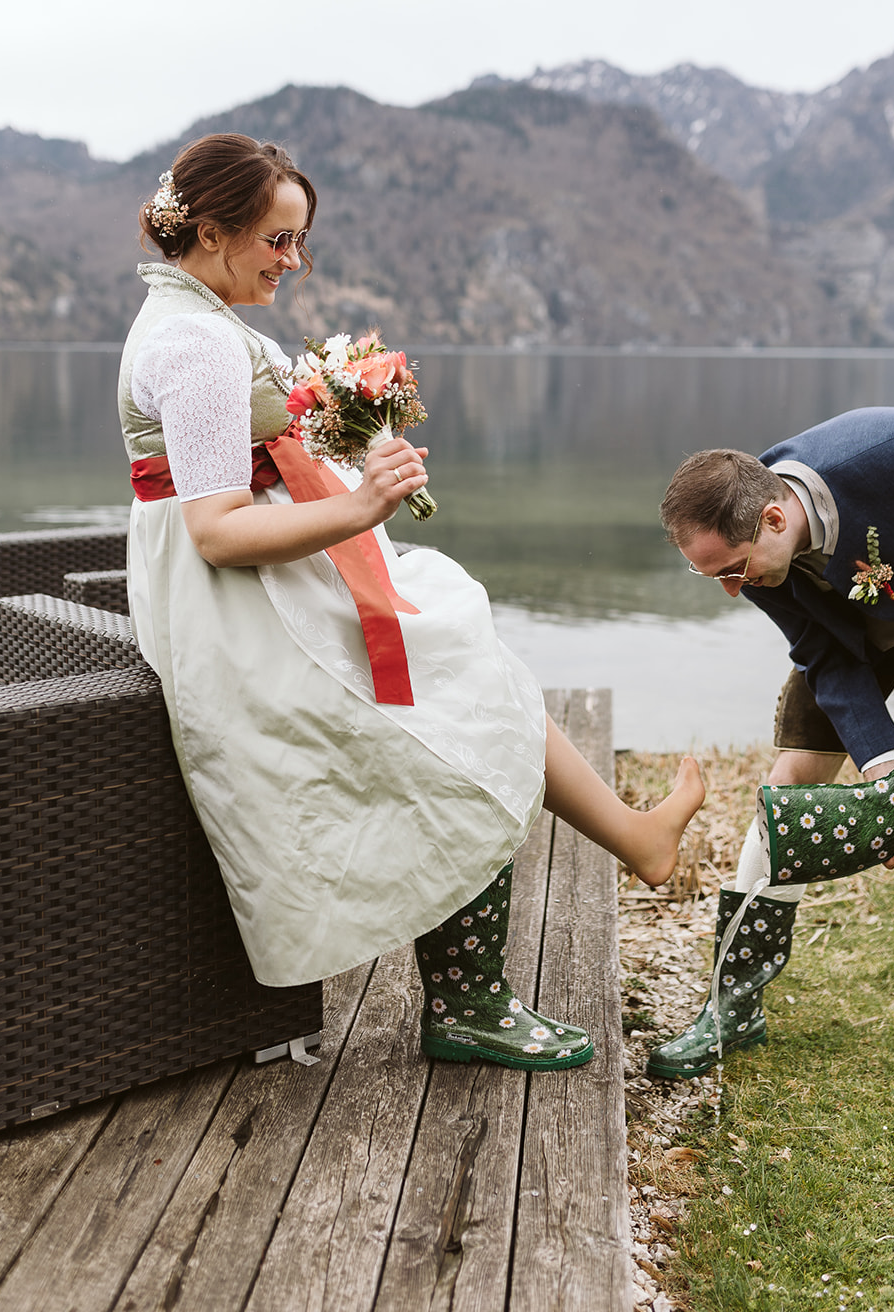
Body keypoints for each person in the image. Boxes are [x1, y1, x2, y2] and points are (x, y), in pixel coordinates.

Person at [119, 131, 705, 1073]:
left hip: (267, 584)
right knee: (457, 724)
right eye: (277, 240)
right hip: (235, 608)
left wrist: (352, 455)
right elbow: (217, 529)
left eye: (299, 240)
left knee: (466, 659)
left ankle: (628, 840)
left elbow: (255, 472)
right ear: (216, 232)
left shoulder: (204, 322)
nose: (293, 260)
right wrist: (358, 502)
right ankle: (471, 1005)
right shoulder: (193, 343)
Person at [647, 407, 894, 1080]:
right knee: (792, 776)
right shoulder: (750, 557)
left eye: (733, 569)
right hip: (860, 635)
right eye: (710, 574)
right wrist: (888, 775)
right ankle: (732, 1005)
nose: (729, 588)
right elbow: (825, 659)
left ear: (773, 519)